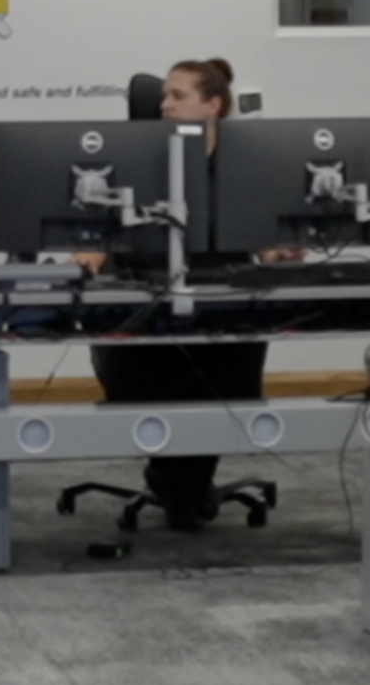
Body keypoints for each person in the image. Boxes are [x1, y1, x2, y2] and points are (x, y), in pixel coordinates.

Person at [84, 58, 274, 530]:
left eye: (177, 96)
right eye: (163, 96)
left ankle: (182, 485)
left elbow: (263, 241)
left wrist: (277, 253)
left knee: (219, 374)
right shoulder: (135, 162)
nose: (163, 105)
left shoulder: (244, 167)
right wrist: (87, 250)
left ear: (213, 105)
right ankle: (179, 485)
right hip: (146, 297)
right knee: (149, 373)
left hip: (220, 301)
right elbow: (96, 234)